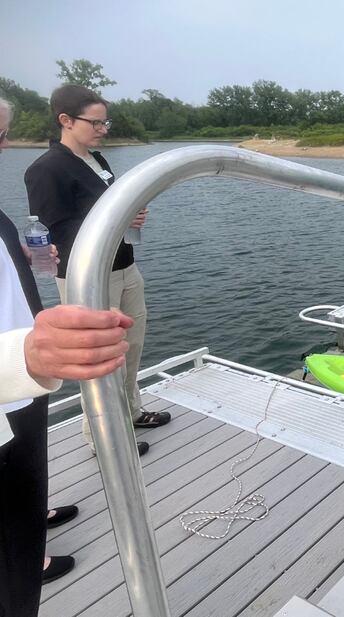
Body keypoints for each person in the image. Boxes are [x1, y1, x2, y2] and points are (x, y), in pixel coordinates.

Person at [1, 96, 133, 617]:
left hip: (28, 380)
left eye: (2, 134)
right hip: (19, 368)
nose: (5, 146)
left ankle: (34, 520)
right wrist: (27, 356)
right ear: (67, 120)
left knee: (25, 471)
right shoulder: (46, 168)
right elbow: (63, 222)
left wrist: (31, 260)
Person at [24, 84, 169, 453]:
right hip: (87, 277)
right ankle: (103, 438)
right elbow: (57, 230)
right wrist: (118, 220)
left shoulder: (97, 159)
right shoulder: (45, 169)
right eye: (96, 122)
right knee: (101, 360)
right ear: (66, 121)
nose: (103, 129)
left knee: (131, 347)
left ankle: (132, 412)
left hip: (124, 266)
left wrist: (130, 216)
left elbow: (110, 207)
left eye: (106, 122)